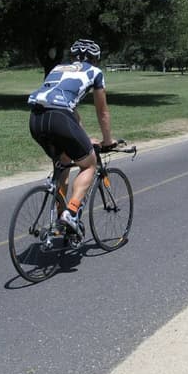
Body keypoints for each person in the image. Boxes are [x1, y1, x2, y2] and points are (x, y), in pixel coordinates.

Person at [27, 38, 117, 236]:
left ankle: (61, 223)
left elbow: (70, 111)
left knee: (64, 164)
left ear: (73, 56)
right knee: (89, 165)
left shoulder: (58, 68)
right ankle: (72, 211)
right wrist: (107, 140)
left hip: (35, 119)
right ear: (95, 59)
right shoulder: (95, 72)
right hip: (59, 119)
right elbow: (102, 112)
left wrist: (84, 138)